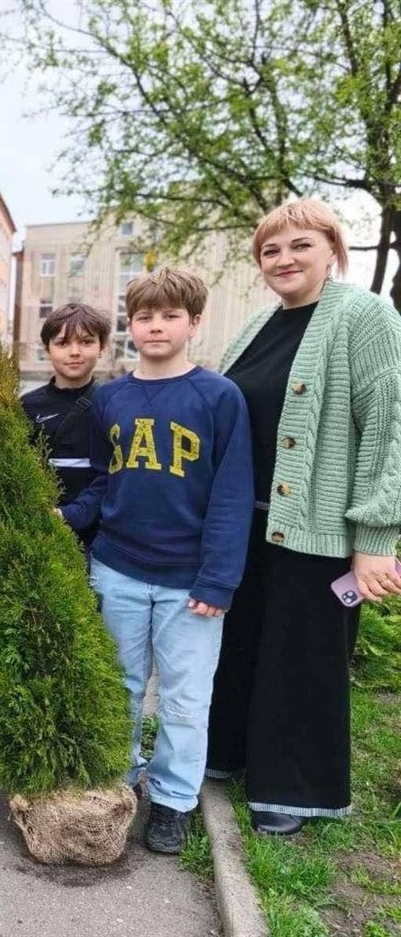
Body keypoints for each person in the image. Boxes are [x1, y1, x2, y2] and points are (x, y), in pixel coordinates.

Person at [206, 199, 401, 836]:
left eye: (300, 245)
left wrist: (376, 537)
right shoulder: (257, 324)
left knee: (302, 656)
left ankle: (292, 788)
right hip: (249, 523)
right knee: (240, 645)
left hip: (319, 528)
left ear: (332, 250)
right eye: (271, 249)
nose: (284, 259)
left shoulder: (364, 316)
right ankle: (228, 752)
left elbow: (389, 428)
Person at [60, 267, 253, 855]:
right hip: (117, 567)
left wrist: (218, 580)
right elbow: (103, 480)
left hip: (189, 581)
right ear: (130, 324)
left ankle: (174, 799)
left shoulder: (219, 397)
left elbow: (232, 495)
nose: (156, 326)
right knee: (117, 683)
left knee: (184, 698)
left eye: (170, 316)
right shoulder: (110, 398)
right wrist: (67, 516)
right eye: (145, 316)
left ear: (194, 323)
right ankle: (119, 779)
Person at [20, 302, 111, 547]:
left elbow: (114, 476)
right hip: (41, 529)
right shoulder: (28, 406)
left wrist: (73, 514)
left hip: (99, 535)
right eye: (62, 343)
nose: (74, 352)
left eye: (86, 342)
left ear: (102, 347)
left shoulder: (113, 403)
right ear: (47, 349)